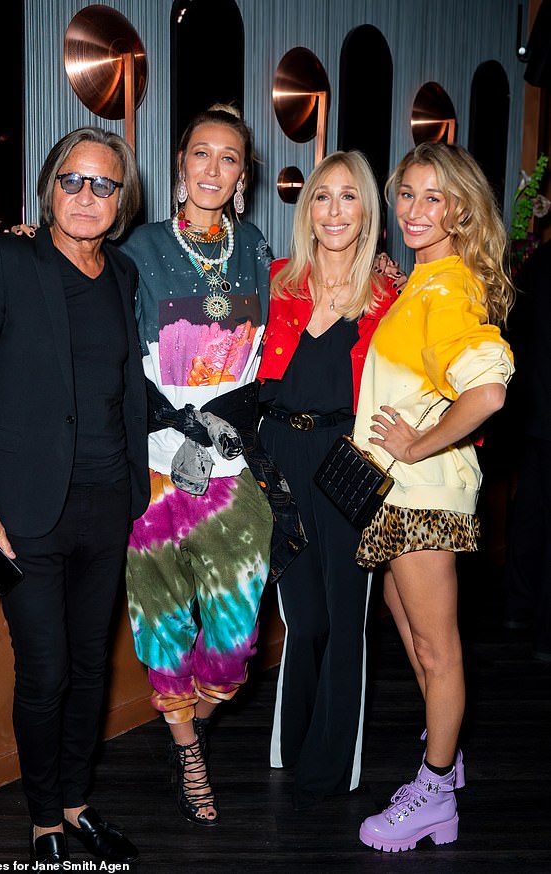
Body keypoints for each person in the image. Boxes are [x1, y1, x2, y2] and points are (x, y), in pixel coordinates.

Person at [0, 126, 148, 865]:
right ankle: (43, 825)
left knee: (92, 667)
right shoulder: (3, 258)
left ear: (121, 200)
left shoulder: (121, 274)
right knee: (48, 669)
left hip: (106, 504)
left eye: (103, 185)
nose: (87, 196)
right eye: (73, 181)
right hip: (24, 514)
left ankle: (76, 802)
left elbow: (125, 389)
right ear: (48, 188)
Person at [353, 141, 515, 852]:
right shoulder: (426, 283)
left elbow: (486, 389)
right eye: (408, 194)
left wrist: (418, 444)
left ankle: (434, 790)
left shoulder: (445, 290)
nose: (416, 210)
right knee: (417, 638)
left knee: (437, 650)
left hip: (422, 495)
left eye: (434, 198)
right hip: (399, 495)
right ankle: (442, 769)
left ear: (460, 209)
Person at [118, 104, 275, 826]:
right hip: (152, 467)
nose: (213, 169)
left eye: (229, 158)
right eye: (201, 154)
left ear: (243, 175)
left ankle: (194, 715)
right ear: (180, 164)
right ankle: (186, 750)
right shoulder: (138, 248)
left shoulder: (258, 251)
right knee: (160, 624)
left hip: (231, 466)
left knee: (236, 640)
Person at [255, 150, 398, 810]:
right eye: (322, 197)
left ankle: (332, 762)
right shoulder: (278, 280)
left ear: (366, 211)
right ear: (307, 210)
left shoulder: (389, 293)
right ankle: (293, 740)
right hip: (280, 455)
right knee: (302, 616)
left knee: (347, 617)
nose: (335, 210)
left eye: (349, 197)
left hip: (349, 459)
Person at [502, 238, 551, 660]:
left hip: (535, 411)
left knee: (531, 512)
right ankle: (545, 634)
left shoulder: (539, 261)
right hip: (537, 409)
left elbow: (516, 332)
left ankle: (517, 607)